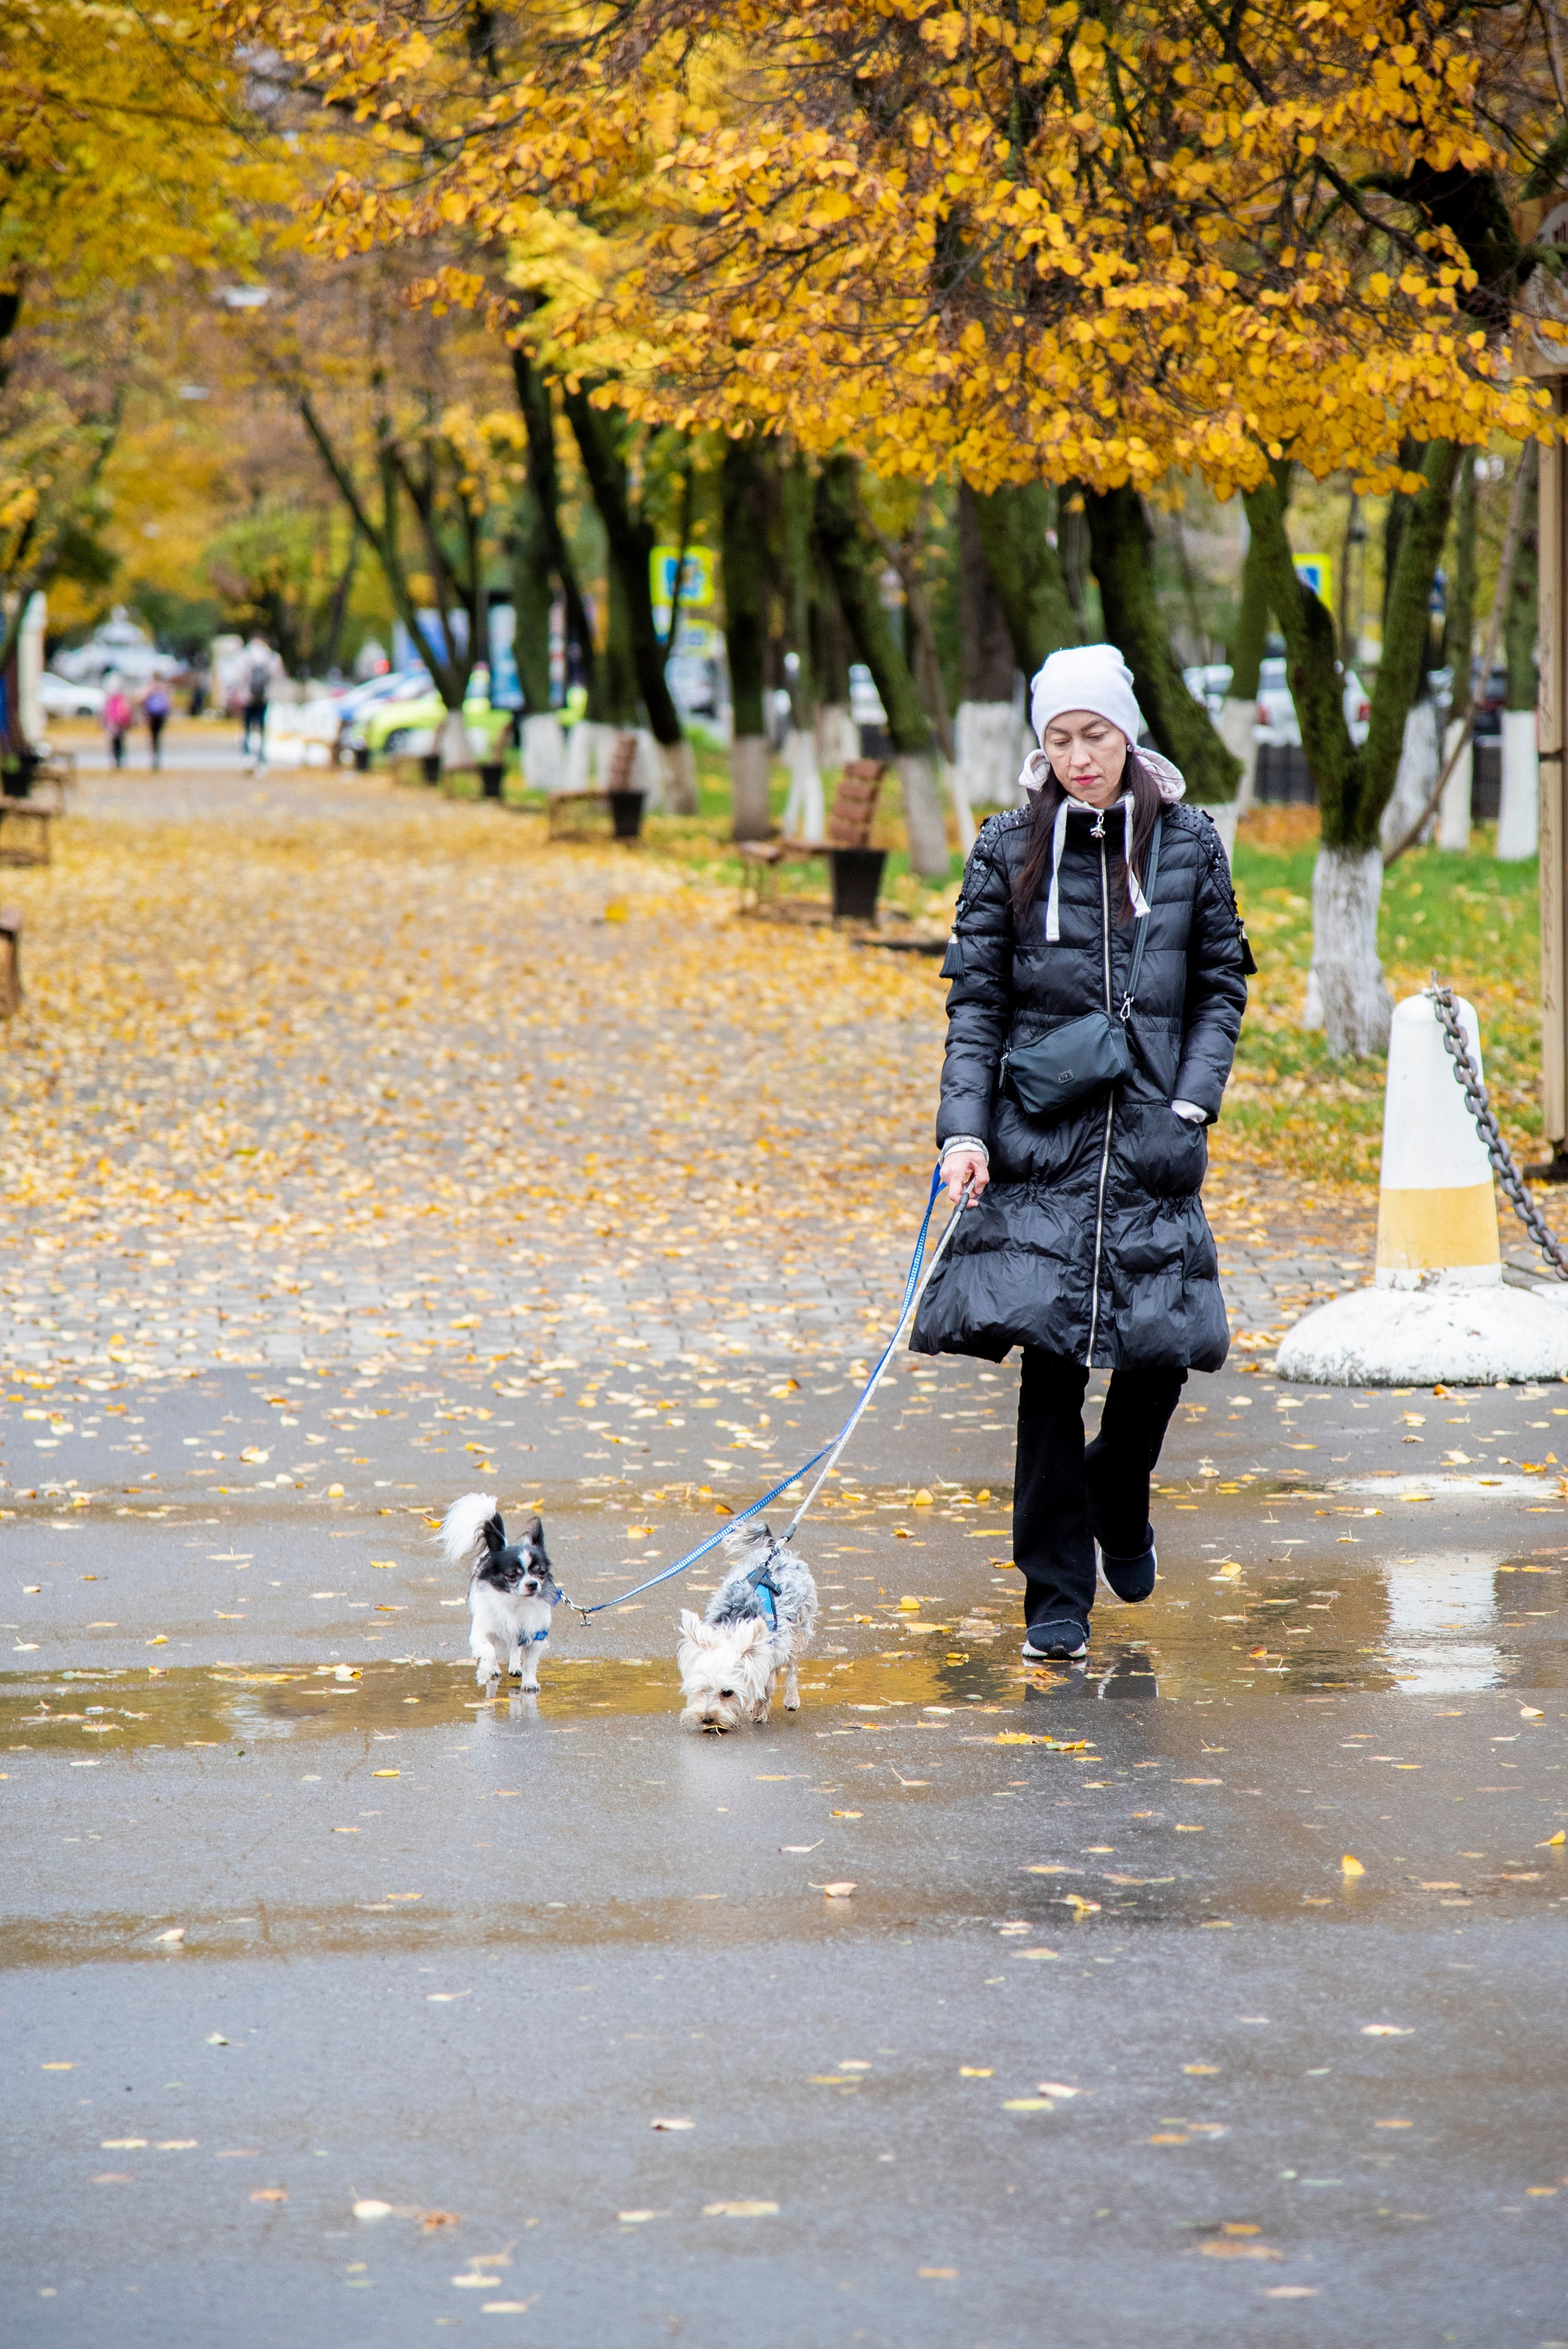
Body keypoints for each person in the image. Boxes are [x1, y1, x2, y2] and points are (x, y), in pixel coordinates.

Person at [911, 643, 1249, 1664]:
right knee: (1052, 1365)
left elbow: (1223, 982)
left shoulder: (1188, 843)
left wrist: (1194, 1098)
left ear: (1127, 731)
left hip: (1154, 1132)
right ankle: (1055, 1594)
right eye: (1058, 740)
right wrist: (965, 1132)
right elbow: (977, 1002)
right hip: (1041, 1139)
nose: (1078, 758)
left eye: (1093, 735)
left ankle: (1119, 1484)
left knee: (1165, 1345)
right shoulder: (1006, 848)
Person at [238, 636, 276, 771]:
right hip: (264, 698)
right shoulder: (271, 656)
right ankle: (261, 758)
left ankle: (247, 757)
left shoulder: (245, 655)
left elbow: (240, 676)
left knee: (247, 728)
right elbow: (278, 676)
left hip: (248, 697)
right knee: (261, 728)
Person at [102, 679, 133, 771]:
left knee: (113, 742)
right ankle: (120, 761)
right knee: (121, 741)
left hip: (112, 722)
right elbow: (127, 709)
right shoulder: (123, 696)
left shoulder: (110, 697)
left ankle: (115, 761)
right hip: (121, 722)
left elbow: (106, 710)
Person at [143, 680, 171, 770]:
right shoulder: (163, 688)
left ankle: (154, 759)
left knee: (153, 738)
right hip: (161, 716)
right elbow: (168, 704)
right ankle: (156, 759)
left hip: (152, 716)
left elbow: (142, 699)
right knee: (157, 738)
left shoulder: (150, 687)